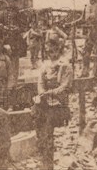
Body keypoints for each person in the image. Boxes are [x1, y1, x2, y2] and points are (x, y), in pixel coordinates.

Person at [33, 32, 74, 170]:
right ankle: (43, 155)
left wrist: (49, 93)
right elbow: (40, 82)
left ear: (59, 49)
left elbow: (65, 87)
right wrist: (41, 93)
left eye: (54, 50)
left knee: (48, 129)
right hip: (45, 102)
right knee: (36, 119)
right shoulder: (45, 66)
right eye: (49, 51)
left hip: (59, 104)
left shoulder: (65, 65)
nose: (52, 54)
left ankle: (48, 164)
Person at [0, 0, 28, 88]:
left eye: (13, 1)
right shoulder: (3, 12)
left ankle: (13, 83)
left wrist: (17, 28)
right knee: (5, 61)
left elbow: (24, 26)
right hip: (5, 40)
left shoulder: (19, 13)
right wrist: (2, 27)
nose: (11, 3)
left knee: (15, 61)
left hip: (15, 40)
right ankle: (6, 83)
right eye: (9, 1)